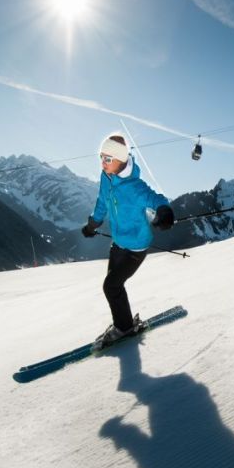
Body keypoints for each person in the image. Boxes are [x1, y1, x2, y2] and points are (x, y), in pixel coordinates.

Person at [82, 132, 175, 351]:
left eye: (107, 158)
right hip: (118, 242)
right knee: (115, 286)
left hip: (136, 246)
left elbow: (157, 199)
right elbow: (102, 202)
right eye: (101, 157)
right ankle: (123, 323)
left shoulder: (135, 186)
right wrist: (92, 225)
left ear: (121, 160)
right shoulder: (106, 177)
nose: (102, 163)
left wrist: (165, 211)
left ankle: (123, 327)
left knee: (111, 286)